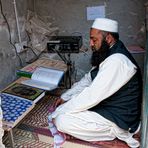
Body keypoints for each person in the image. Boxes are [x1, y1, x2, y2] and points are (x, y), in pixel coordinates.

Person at [50, 18, 142, 148]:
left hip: (119, 119)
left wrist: (59, 112)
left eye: (94, 40)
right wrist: (65, 96)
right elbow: (89, 79)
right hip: (108, 108)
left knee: (62, 120)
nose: (91, 44)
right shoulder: (109, 52)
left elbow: (92, 95)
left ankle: (113, 137)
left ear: (108, 38)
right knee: (69, 108)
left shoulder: (117, 61)